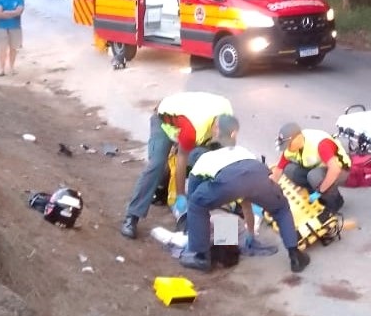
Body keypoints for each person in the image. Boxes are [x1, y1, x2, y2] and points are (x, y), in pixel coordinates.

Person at [179, 115, 310, 274]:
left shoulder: (203, 161)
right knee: (281, 209)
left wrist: (190, 218)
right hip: (259, 174)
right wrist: (250, 234)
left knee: (196, 205)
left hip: (227, 195)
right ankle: (294, 255)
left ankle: (201, 257)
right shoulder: (238, 150)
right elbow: (247, 198)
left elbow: (193, 199)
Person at [120, 91, 234, 239]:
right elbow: (182, 159)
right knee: (157, 164)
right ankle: (132, 216)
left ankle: (221, 228)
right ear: (215, 128)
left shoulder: (227, 112)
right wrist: (181, 196)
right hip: (164, 119)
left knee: (210, 160)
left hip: (188, 115)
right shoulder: (193, 128)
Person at [270, 122, 351, 213]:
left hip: (340, 169)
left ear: (298, 138)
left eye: (288, 145)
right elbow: (278, 170)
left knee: (314, 176)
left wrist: (320, 191)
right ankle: (316, 193)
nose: (287, 148)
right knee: (289, 170)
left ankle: (335, 202)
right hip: (316, 168)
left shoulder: (320, 143)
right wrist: (266, 190)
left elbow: (335, 170)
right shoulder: (291, 148)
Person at [0, 0, 25, 76]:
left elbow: (19, 12)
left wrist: (6, 12)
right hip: (2, 27)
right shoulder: (0, 0)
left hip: (15, 27)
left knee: (13, 48)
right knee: (2, 49)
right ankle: (2, 69)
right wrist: (12, 13)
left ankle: (12, 67)